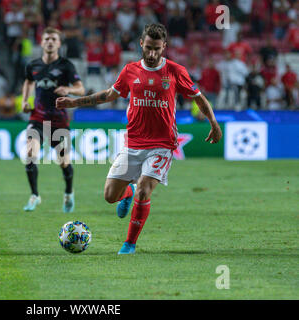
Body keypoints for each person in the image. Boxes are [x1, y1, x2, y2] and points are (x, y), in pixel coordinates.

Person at [56, 23, 222, 254]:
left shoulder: (175, 71)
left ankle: (129, 244)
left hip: (162, 145)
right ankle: (128, 192)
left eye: (157, 49)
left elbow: (199, 97)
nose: (152, 54)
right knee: (109, 196)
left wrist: (213, 122)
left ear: (164, 47)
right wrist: (75, 102)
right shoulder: (129, 71)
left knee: (145, 188)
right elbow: (108, 95)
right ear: (141, 44)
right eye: (148, 48)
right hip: (133, 144)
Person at [21, 27, 85, 213]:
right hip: (38, 118)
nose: (50, 41)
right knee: (30, 154)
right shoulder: (33, 66)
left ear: (59, 43)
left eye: (53, 39)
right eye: (47, 38)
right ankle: (35, 195)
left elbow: (80, 89)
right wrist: (25, 100)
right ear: (41, 43)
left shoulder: (66, 66)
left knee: (63, 162)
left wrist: (68, 90)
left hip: (59, 120)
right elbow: (28, 81)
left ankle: (68, 193)